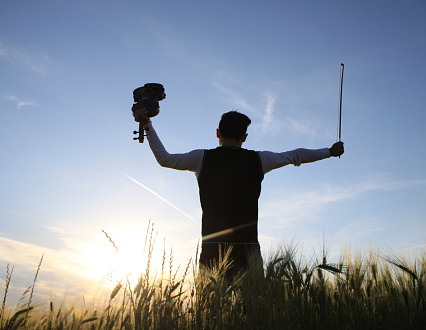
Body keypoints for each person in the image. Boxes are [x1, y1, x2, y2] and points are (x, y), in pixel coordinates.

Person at [135, 110, 344, 279]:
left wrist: (148, 126)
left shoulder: (201, 158)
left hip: (213, 248)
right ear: (244, 137)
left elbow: (165, 159)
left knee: (210, 311)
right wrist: (329, 151)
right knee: (251, 312)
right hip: (248, 249)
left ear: (218, 133)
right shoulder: (260, 160)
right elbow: (296, 155)